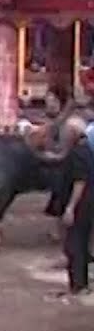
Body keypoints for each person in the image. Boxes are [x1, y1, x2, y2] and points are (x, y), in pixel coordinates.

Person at [52, 118, 94, 301]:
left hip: (81, 204)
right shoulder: (85, 150)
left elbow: (80, 181)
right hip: (87, 202)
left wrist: (70, 207)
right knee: (80, 243)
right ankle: (80, 284)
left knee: (74, 244)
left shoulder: (77, 153)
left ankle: (78, 285)